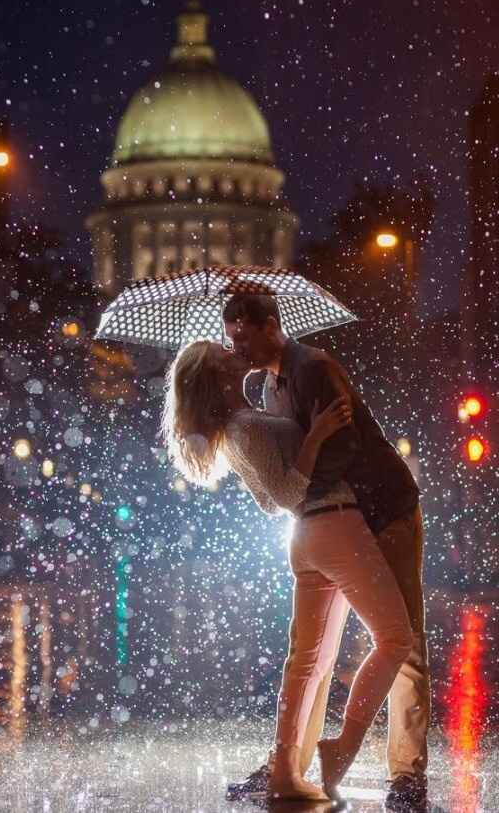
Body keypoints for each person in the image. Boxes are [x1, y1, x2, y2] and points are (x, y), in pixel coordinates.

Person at [162, 339, 413, 801]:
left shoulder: (239, 424)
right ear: (218, 376)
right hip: (333, 524)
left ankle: (284, 771)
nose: (232, 345)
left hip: (309, 537)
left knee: (307, 663)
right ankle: (340, 747)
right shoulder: (244, 427)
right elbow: (283, 495)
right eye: (222, 351)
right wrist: (316, 436)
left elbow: (266, 497)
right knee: (396, 638)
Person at [222, 294, 430, 811]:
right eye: (231, 340)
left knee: (403, 639)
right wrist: (304, 495)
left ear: (272, 327)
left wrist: (304, 492)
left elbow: (342, 448)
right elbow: (294, 459)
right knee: (314, 652)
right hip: (337, 521)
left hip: (385, 510)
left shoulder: (314, 368)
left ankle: (406, 773)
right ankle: (290, 764)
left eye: (243, 336)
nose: (237, 347)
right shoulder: (269, 387)